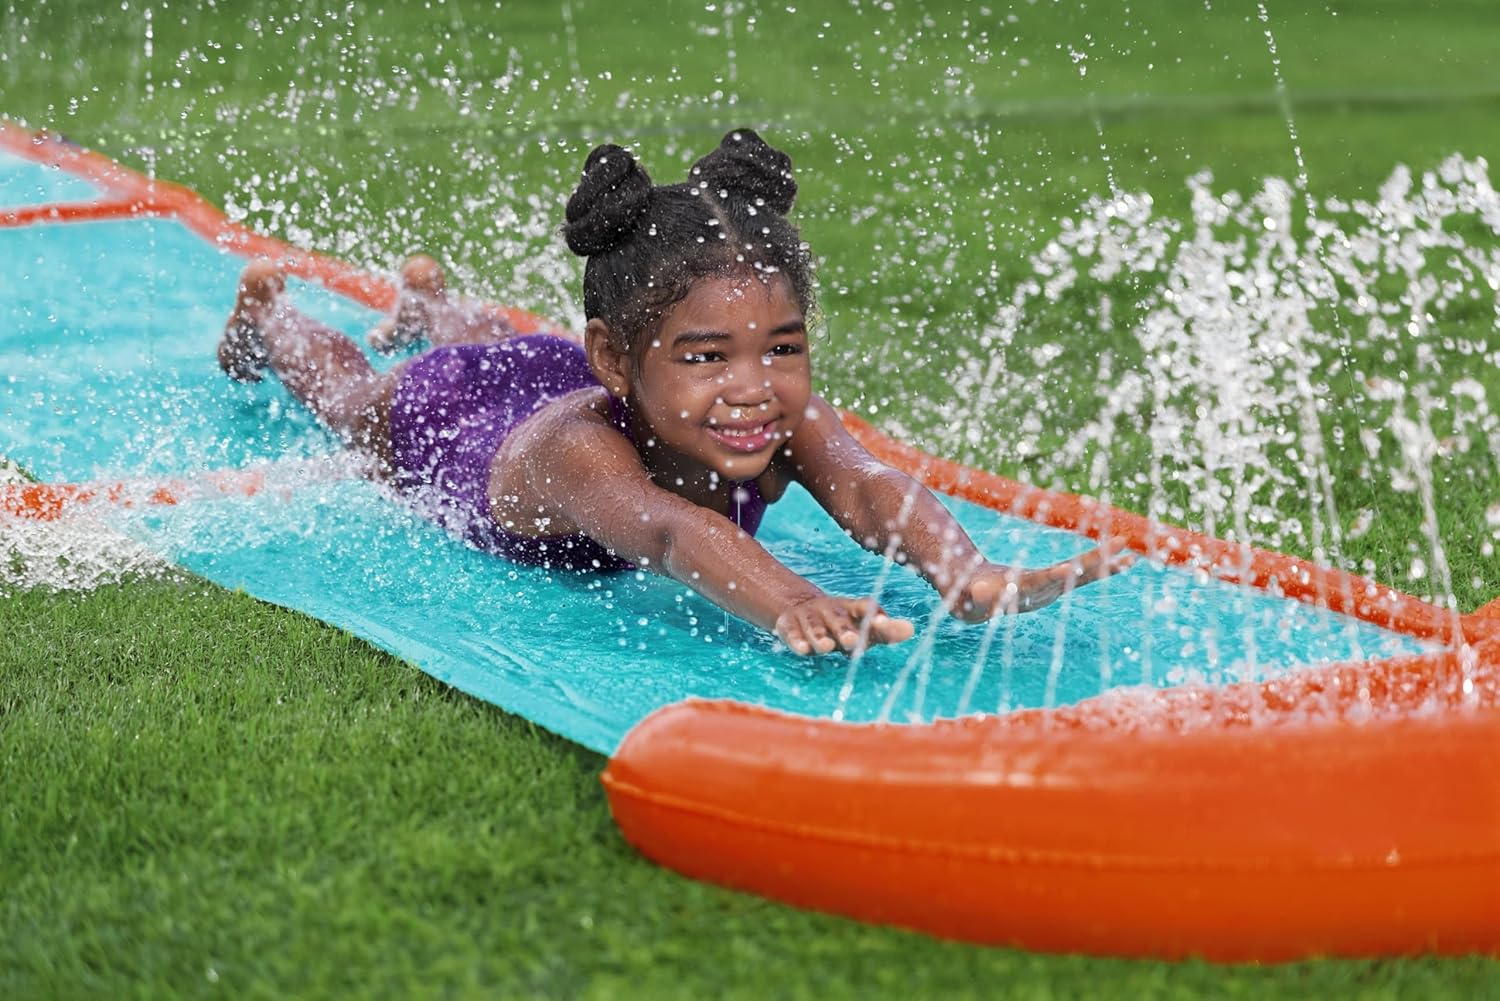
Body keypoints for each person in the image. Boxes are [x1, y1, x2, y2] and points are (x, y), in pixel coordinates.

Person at [218, 128, 1133, 656]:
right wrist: (790, 601)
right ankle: (272, 320)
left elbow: (863, 484)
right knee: (348, 397)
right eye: (706, 357)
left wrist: (962, 570)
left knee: (498, 340)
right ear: (618, 361)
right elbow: (664, 528)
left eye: (781, 346)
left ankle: (429, 297)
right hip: (450, 420)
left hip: (551, 365)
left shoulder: (771, 407)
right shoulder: (580, 453)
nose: (752, 388)